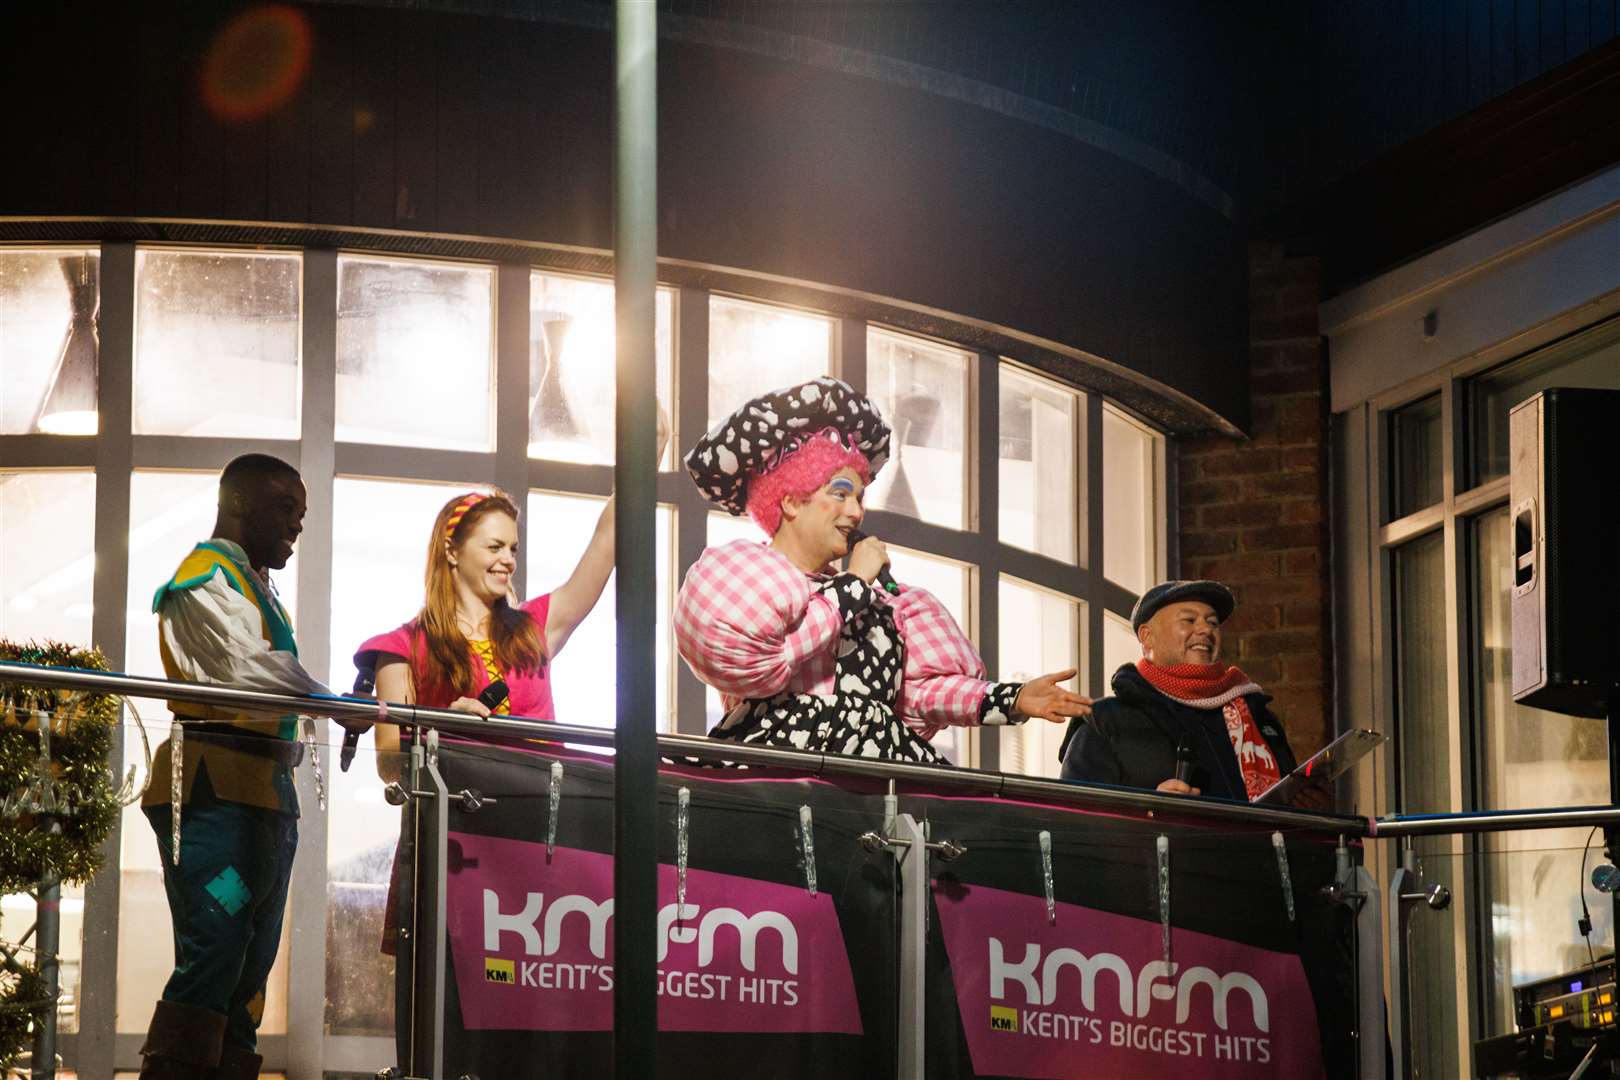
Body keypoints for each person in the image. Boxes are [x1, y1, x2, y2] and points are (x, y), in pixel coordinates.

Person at [676, 376, 1090, 763]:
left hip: (873, 781)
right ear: (790, 500)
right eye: (839, 494)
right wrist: (853, 584)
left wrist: (1013, 699)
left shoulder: (881, 605)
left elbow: (919, 694)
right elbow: (768, 664)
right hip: (781, 772)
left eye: (859, 497)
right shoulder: (751, 581)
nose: (856, 512)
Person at [140, 453, 357, 1080]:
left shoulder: (253, 584)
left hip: (263, 796)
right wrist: (330, 701)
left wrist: (327, 703)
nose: (295, 525)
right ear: (237, 504)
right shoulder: (203, 577)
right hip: (212, 795)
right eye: (285, 509)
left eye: (302, 515)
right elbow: (247, 673)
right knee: (217, 946)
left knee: (251, 962)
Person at [355, 407, 666, 761]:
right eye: (494, 547)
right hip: (456, 813)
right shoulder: (402, 648)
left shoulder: (534, 626)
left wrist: (649, 451)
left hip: (543, 809)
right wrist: (442, 731)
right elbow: (390, 767)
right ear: (452, 551)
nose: (508, 560)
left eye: (513, 548)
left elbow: (608, 537)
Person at [1057, 579, 1300, 801]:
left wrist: (1307, 803)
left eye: (1212, 622)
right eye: (1189, 620)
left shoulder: (1259, 718)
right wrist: (1150, 813)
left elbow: (1290, 805)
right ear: (1147, 636)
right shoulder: (1105, 720)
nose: (1206, 630)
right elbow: (1075, 818)